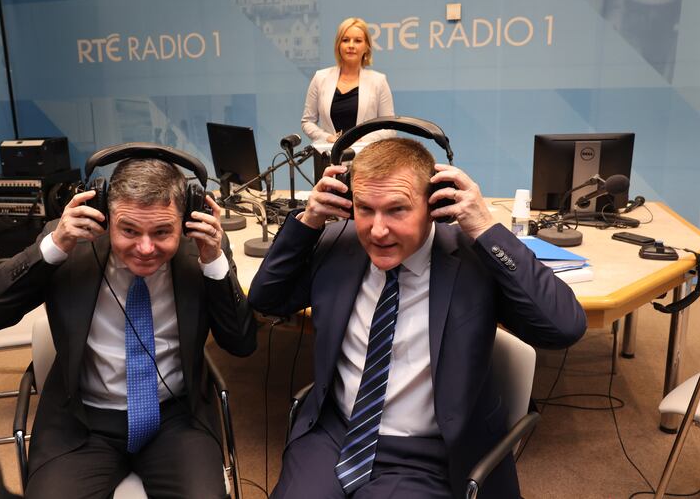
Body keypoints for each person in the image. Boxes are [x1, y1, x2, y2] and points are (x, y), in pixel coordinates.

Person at [248, 137, 587, 498]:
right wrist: (308, 221)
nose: (378, 231)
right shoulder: (337, 243)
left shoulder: (473, 259)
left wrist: (486, 227)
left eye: (397, 210)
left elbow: (564, 327)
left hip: (427, 455)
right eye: (365, 209)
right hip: (333, 435)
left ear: (434, 202)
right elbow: (267, 300)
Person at [0, 153, 257, 498]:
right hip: (81, 423)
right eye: (129, 230)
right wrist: (53, 248)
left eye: (162, 231)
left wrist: (214, 263)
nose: (145, 248)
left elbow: (242, 343)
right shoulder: (71, 246)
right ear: (105, 215)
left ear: (188, 219)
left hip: (176, 419)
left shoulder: (203, 249)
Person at [301, 17, 396, 147]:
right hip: (328, 158)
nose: (351, 45)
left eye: (358, 41)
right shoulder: (320, 77)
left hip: (366, 160)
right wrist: (327, 138)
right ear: (338, 45)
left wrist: (361, 140)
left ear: (367, 47)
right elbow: (307, 122)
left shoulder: (378, 81)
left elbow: (389, 128)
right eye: (345, 40)